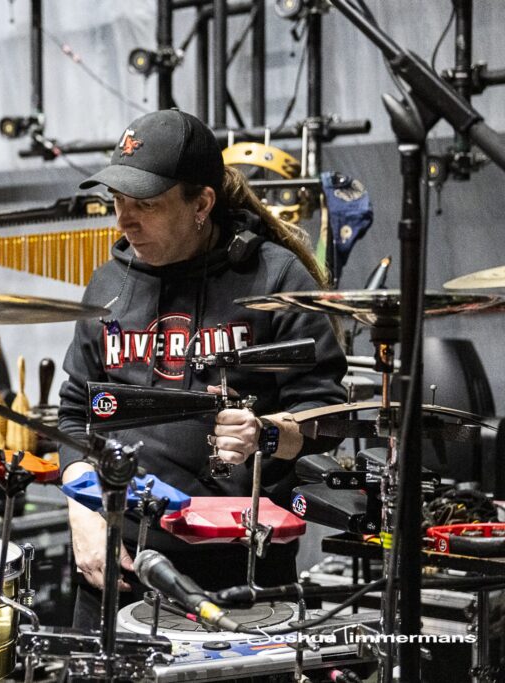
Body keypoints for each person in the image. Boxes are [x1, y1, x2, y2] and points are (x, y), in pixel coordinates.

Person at [57, 109, 346, 627]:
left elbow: (328, 415)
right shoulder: (108, 284)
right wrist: (81, 509)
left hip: (235, 574)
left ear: (202, 204)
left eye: (144, 203)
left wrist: (267, 434)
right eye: (117, 201)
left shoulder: (275, 279)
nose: (124, 220)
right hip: (116, 564)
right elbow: (75, 415)